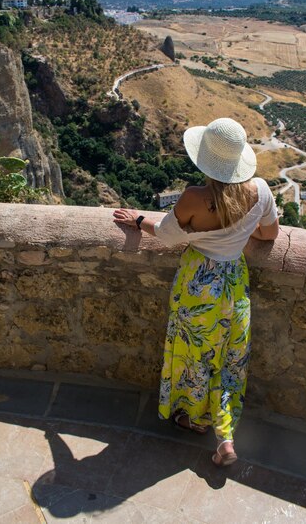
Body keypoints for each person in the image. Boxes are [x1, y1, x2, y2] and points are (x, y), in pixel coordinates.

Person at [113, 118, 279, 466]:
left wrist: (138, 220)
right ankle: (227, 436)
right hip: (234, 282)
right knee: (231, 359)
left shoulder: (194, 198)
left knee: (196, 357)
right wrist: (240, 231)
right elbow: (269, 235)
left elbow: (167, 234)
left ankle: (193, 418)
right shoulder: (261, 191)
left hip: (198, 286)